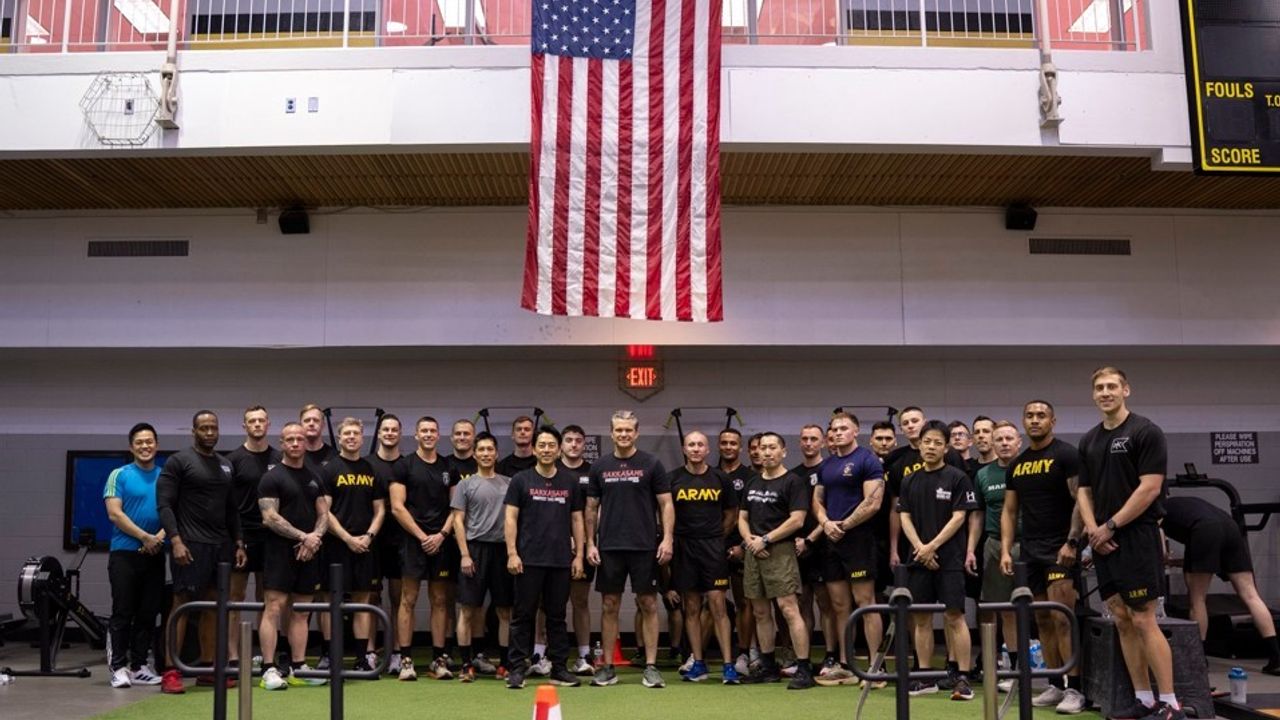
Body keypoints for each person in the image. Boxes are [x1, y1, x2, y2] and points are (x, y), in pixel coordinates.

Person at [1077, 367, 1182, 720]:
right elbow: (1084, 491)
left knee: (1142, 618)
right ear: (1093, 394)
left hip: (1136, 537)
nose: (1105, 392)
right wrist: (1094, 531)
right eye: (1099, 388)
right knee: (1121, 618)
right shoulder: (1089, 440)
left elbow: (1150, 488)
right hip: (1103, 539)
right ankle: (1144, 699)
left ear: (1126, 390)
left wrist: (1111, 526)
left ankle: (1170, 704)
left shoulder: (1145, 431)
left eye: (1112, 386)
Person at [1000, 400, 1085, 713]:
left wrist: (1072, 542)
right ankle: (1054, 683)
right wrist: (1006, 550)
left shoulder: (1066, 454)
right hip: (1030, 550)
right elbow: (1010, 511)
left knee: (1063, 618)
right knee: (1043, 620)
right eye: (1030, 416)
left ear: (1053, 421)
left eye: (1041, 416)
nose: (1035, 420)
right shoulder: (1017, 464)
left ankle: (1075, 688)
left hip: (1059, 548)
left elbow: (1081, 499)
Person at [156, 410, 246, 694]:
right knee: (181, 605)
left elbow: (232, 509)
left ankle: (207, 669)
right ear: (193, 431)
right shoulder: (179, 461)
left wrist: (239, 543)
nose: (209, 432)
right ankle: (170, 671)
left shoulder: (225, 465)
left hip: (221, 546)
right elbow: (164, 505)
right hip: (190, 544)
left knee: (213, 606)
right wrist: (175, 540)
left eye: (213, 428)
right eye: (203, 428)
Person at [586, 410, 673, 688]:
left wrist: (667, 539)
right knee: (609, 605)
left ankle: (651, 666)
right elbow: (591, 508)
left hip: (644, 546)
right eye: (619, 430)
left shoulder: (652, 464)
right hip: (610, 546)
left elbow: (666, 504)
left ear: (636, 433)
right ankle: (608, 667)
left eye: (628, 430)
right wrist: (590, 543)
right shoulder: (599, 466)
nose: (623, 434)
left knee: (648, 603)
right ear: (611, 433)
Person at [897, 420, 978, 701]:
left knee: (955, 616)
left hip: (950, 559)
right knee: (921, 619)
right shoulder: (909, 480)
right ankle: (924, 677)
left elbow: (959, 517)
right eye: (927, 442)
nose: (931, 447)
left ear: (946, 447)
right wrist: (921, 548)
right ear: (919, 444)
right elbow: (904, 516)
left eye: (937, 443)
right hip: (918, 558)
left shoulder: (958, 478)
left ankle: (963, 678)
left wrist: (933, 546)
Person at [503, 427, 586, 690]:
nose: (547, 449)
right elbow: (510, 518)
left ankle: (559, 668)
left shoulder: (570, 481)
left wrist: (579, 555)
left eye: (551, 445)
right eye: (542, 445)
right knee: (522, 616)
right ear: (535, 449)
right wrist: (512, 553)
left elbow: (577, 519)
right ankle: (517, 669)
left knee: (557, 616)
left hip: (560, 560)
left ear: (559, 449)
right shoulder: (521, 480)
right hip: (528, 560)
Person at [1162, 494, 1280, 674]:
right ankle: (1276, 658)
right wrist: (1176, 562)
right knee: (1251, 595)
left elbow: (1161, 547)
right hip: (1230, 527)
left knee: (1197, 599)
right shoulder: (1185, 504)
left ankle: (1199, 660)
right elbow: (1199, 555)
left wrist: (1164, 558)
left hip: (1204, 530)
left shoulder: (1154, 510)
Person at [811, 413, 884, 687]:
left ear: (856, 431)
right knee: (840, 605)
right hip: (832, 540)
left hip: (858, 540)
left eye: (844, 428)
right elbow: (817, 501)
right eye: (835, 429)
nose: (838, 432)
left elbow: (873, 502)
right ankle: (845, 665)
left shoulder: (867, 460)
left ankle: (875, 667)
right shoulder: (827, 465)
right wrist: (826, 523)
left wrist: (845, 525)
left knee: (866, 603)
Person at [737, 432, 814, 689]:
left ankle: (803, 668)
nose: (767, 452)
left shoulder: (793, 482)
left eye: (772, 448)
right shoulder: (752, 482)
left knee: (789, 609)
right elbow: (742, 518)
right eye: (763, 448)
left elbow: (797, 520)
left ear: (783, 452)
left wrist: (766, 539)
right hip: (754, 552)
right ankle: (768, 667)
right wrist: (750, 540)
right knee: (760, 612)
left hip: (779, 551)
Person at [257, 422, 329, 690]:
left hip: (309, 553)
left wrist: (315, 539)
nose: (296, 443)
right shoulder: (272, 478)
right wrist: (303, 537)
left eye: (300, 439)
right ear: (282, 443)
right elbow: (270, 517)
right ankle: (268, 668)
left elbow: (323, 513)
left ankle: (298, 667)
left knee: (301, 611)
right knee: (274, 608)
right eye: (291, 439)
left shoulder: (314, 476)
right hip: (279, 553)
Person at [390, 416, 458, 681]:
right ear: (416, 435)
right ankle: (406, 660)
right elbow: (397, 507)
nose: (428, 435)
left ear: (438, 435)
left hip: (441, 542)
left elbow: (456, 507)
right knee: (408, 599)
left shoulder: (448, 467)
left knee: (440, 600)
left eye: (433, 431)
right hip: (413, 542)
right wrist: (422, 537)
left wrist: (441, 535)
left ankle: (438, 660)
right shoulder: (403, 465)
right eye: (424, 431)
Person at [668, 431, 740, 684]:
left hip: (712, 548)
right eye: (691, 445)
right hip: (684, 548)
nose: (696, 449)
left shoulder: (720, 478)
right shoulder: (673, 479)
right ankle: (698, 663)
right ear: (684, 449)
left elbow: (732, 512)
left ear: (708, 450)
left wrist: (718, 536)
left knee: (718, 605)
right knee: (691, 607)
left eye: (700, 445)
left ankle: (729, 665)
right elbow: (665, 512)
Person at [319, 417, 387, 672]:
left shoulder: (372, 469)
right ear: (340, 438)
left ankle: (361, 659)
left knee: (363, 601)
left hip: (365, 545)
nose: (351, 437)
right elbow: (324, 511)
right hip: (336, 545)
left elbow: (380, 510)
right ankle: (330, 656)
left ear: (361, 437)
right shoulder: (329, 469)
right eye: (346, 433)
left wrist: (368, 536)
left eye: (355, 433)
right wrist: (347, 538)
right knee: (330, 600)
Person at [104, 422, 166, 689]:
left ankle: (140, 667)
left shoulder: (165, 476)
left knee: (147, 612)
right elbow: (114, 513)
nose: (145, 446)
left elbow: (175, 513)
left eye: (149, 441)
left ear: (157, 445)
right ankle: (118, 667)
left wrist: (158, 538)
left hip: (155, 555)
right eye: (139, 442)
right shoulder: (119, 475)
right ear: (131, 447)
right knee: (123, 612)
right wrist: (144, 537)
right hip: (124, 555)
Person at [449, 432, 514, 682]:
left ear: (496, 454)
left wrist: (512, 553)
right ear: (475, 455)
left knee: (504, 611)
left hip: (502, 550)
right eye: (482, 450)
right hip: (474, 551)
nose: (486, 454)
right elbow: (457, 521)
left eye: (490, 449)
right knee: (467, 610)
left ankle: (505, 664)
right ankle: (466, 665)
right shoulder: (465, 485)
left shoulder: (509, 483)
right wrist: (464, 554)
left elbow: (515, 519)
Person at [226, 406, 280, 670]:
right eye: (252, 421)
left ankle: (266, 657)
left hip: (272, 536)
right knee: (235, 596)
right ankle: (233, 657)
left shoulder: (279, 458)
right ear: (244, 426)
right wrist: (236, 539)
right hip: (242, 536)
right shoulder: (233, 460)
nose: (257, 424)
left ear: (268, 424)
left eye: (261, 420)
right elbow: (227, 504)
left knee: (267, 597)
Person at [975, 421, 1021, 692]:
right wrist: (971, 549)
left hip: (1030, 544)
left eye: (1009, 439)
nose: (1004, 443)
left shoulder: (1027, 467)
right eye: (999, 439)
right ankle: (1013, 670)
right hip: (994, 545)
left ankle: (1059, 676)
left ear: (1019, 442)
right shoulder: (983, 474)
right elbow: (978, 515)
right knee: (1005, 611)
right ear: (992, 444)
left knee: (1045, 610)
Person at [789, 424, 836, 679]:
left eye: (814, 439)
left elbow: (830, 511)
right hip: (796, 548)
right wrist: (798, 541)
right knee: (802, 603)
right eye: (805, 439)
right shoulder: (793, 475)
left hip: (821, 545)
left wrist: (810, 539)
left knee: (825, 602)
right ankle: (803, 659)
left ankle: (831, 655)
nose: (808, 443)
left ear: (823, 442)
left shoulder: (829, 470)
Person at [366, 414, 406, 674]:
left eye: (394, 429)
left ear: (400, 434)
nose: (390, 433)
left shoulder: (407, 465)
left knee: (399, 597)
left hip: (400, 541)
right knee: (371, 597)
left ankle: (397, 653)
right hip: (372, 541)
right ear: (379, 434)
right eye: (385, 429)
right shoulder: (367, 465)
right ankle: (370, 652)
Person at [558, 424, 597, 675]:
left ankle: (584, 656)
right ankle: (542, 654)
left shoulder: (593, 472)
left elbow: (595, 510)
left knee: (580, 601)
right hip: (553, 546)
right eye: (569, 440)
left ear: (584, 444)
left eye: (578, 440)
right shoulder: (551, 469)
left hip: (583, 546)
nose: (573, 444)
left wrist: (585, 541)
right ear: (561, 444)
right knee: (547, 604)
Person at [718, 427, 757, 674]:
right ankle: (697, 656)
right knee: (713, 603)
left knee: (745, 602)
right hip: (714, 548)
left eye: (733, 443)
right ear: (719, 446)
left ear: (740, 447)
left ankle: (744, 653)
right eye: (724, 443)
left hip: (742, 548)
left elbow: (752, 516)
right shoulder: (709, 474)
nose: (729, 447)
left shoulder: (750, 477)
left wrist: (743, 545)